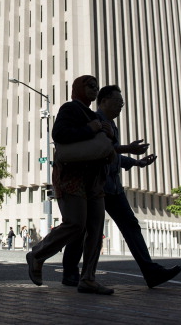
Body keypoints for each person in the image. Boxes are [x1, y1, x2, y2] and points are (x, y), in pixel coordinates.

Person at [62, 85, 181, 288]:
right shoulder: (94, 121)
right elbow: (99, 151)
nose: (121, 107)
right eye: (118, 102)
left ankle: (150, 271)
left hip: (113, 187)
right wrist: (129, 150)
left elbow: (112, 156)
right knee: (82, 230)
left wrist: (137, 162)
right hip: (94, 186)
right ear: (104, 101)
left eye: (122, 104)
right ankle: (71, 273)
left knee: (130, 225)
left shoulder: (112, 126)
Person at [26, 75, 114, 295]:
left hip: (94, 179)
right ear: (78, 88)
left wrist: (109, 137)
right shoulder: (70, 109)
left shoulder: (94, 115)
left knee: (95, 229)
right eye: (89, 85)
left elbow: (100, 146)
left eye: (96, 86)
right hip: (72, 177)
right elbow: (59, 134)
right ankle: (37, 254)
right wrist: (91, 128)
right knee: (76, 223)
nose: (95, 89)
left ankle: (88, 279)